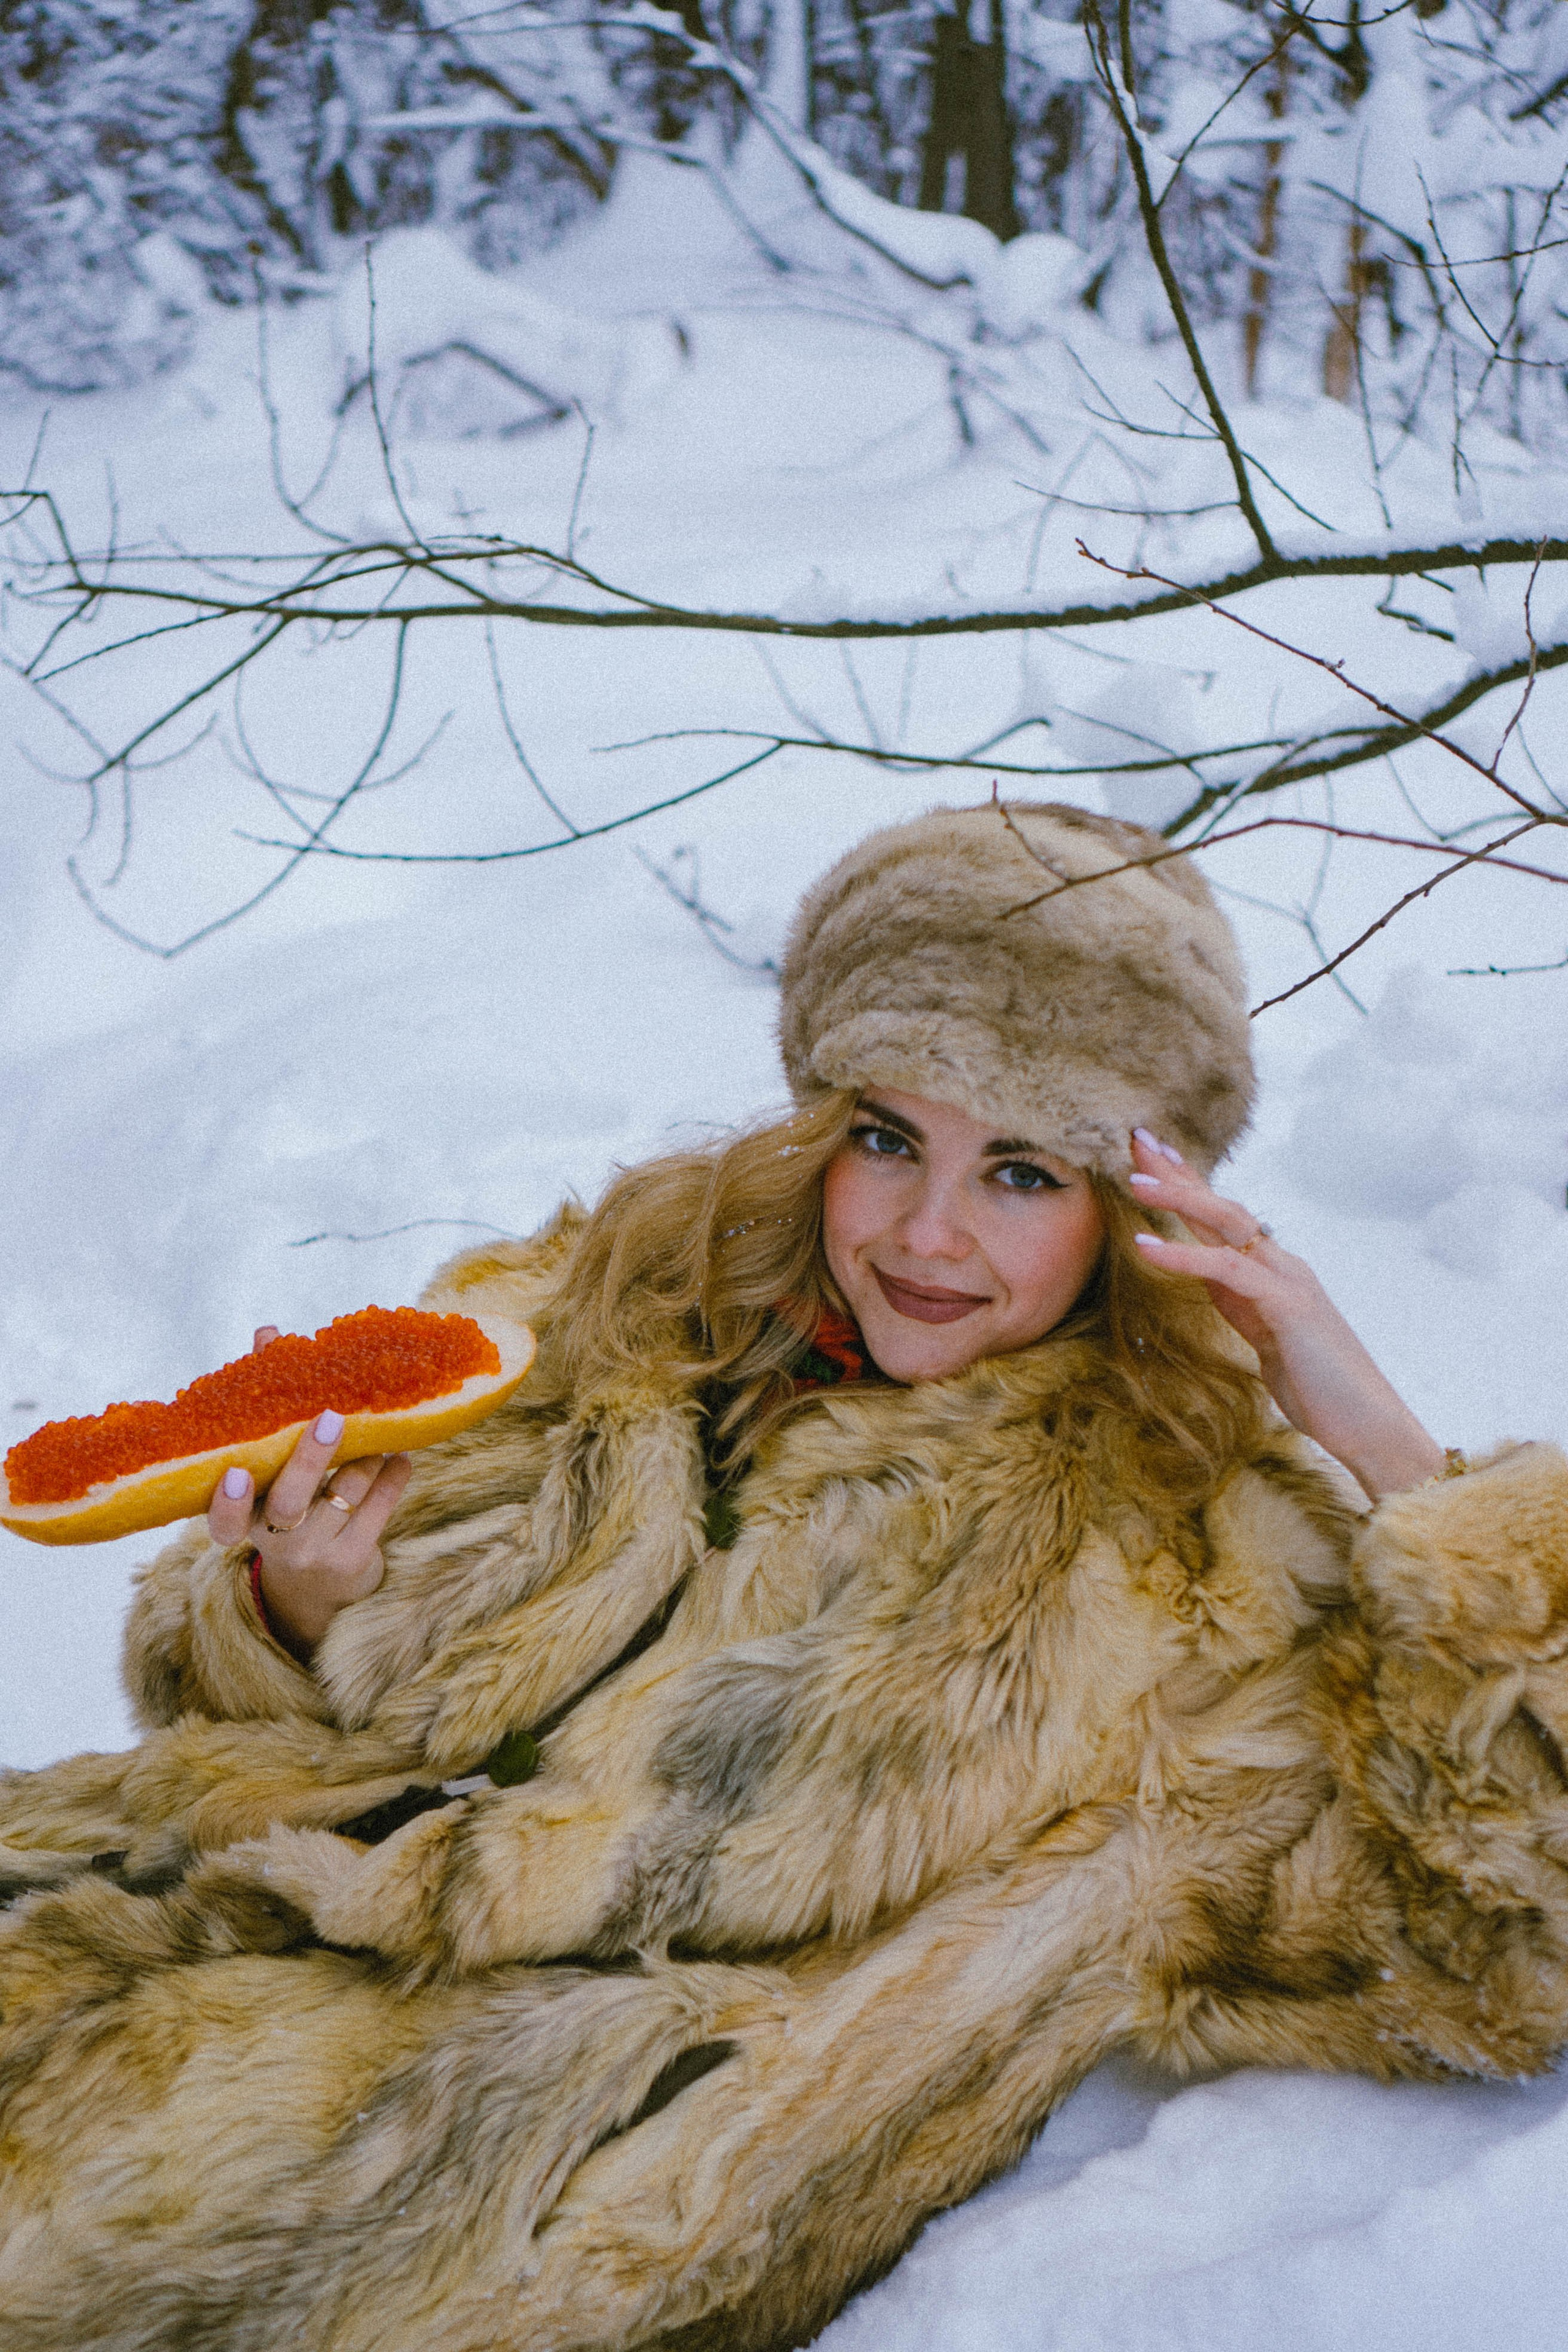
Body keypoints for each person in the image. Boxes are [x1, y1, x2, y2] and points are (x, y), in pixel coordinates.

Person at [2, 801, 1566, 2352]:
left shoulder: (1185, 1561)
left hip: (449, 2167)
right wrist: (294, 1610)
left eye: (1020, 1171)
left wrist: (1393, 1460)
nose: (927, 1233)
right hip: (139, 1906)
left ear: (1131, 1208)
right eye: (886, 1139)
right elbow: (205, 1701)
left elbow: (1495, 1949)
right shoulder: (605, 1307)